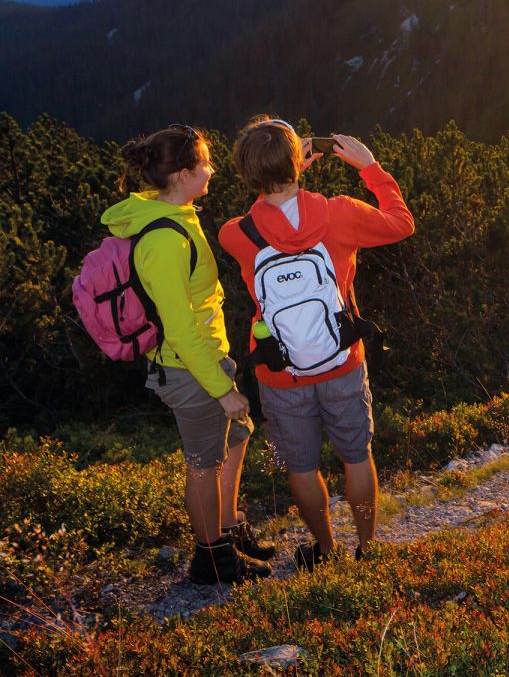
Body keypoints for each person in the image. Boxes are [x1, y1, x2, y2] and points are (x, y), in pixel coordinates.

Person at [219, 117, 413, 569]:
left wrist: (280, 174)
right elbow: (401, 223)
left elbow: (266, 217)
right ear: (297, 164)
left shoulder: (237, 234)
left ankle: (325, 549)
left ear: (249, 175)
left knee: (302, 467)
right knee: (356, 455)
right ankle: (367, 547)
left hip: (280, 371)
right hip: (343, 359)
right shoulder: (340, 212)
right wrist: (370, 167)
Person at [104, 124, 275, 585]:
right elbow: (178, 329)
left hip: (205, 359)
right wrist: (221, 389)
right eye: (203, 163)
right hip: (187, 369)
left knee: (237, 437)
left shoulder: (180, 215)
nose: (211, 170)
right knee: (204, 463)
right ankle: (211, 558)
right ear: (181, 175)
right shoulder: (164, 240)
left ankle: (227, 527)